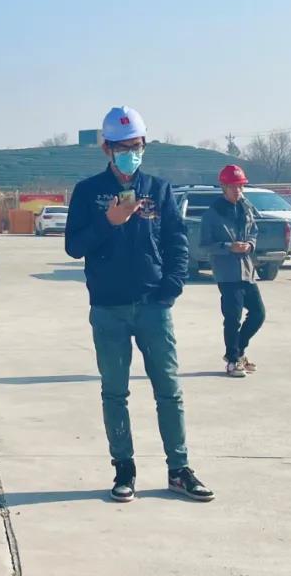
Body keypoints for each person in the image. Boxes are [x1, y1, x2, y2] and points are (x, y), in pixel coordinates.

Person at [64, 106, 214, 504]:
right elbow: (74, 246)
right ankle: (124, 468)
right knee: (115, 392)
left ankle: (179, 469)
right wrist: (108, 222)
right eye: (123, 147)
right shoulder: (88, 192)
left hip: (153, 306)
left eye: (137, 146)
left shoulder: (158, 190)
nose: (131, 153)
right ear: (107, 149)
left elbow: (176, 242)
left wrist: (171, 287)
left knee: (169, 390)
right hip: (108, 308)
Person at [200, 164, 265, 378]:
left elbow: (254, 231)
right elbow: (205, 245)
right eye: (233, 187)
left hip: (247, 270)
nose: (237, 190)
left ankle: (238, 352)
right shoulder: (212, 214)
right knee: (232, 317)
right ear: (223, 187)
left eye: (240, 186)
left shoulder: (246, 208)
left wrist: (250, 245)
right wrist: (228, 247)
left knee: (258, 314)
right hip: (227, 273)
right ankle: (232, 360)